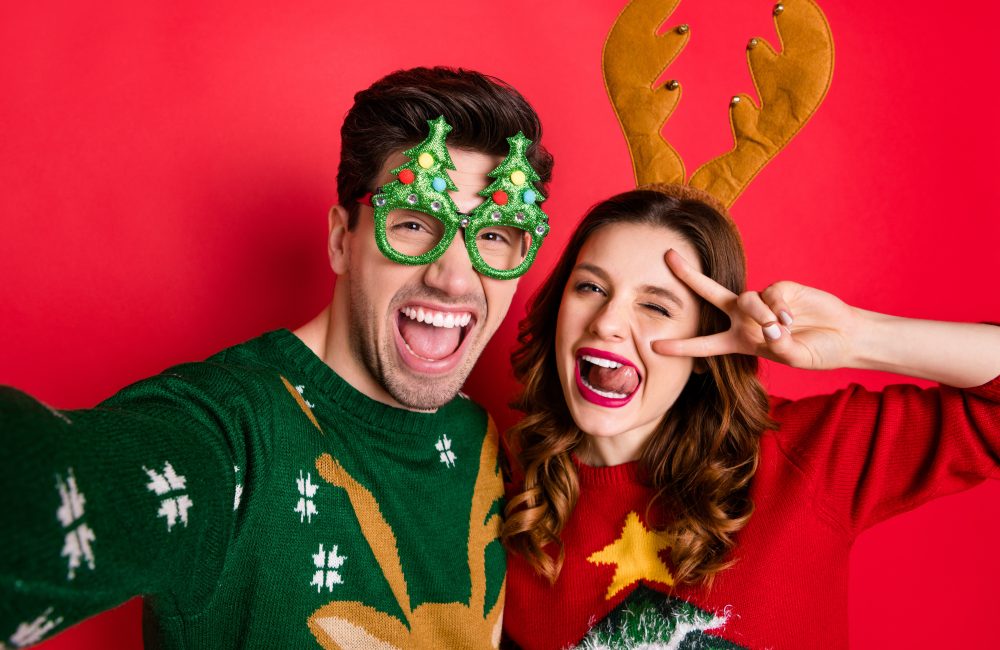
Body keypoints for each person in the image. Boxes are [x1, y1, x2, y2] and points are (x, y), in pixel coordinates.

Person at [0, 66, 553, 649]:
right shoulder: (233, 431)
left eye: (494, 235)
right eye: (414, 223)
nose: (453, 276)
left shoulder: (484, 442)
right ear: (343, 240)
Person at [500, 185, 1000, 649]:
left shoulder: (806, 458)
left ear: (706, 345)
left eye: (655, 305)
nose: (606, 321)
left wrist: (856, 335)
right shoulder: (499, 498)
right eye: (590, 288)